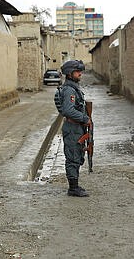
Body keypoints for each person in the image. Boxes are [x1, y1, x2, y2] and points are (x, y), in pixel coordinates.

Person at [59, 59, 91, 197]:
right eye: (77, 71)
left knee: (77, 155)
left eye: (80, 71)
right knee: (72, 157)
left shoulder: (74, 88)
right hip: (72, 127)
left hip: (77, 128)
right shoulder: (69, 91)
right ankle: (73, 188)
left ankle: (75, 184)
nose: (80, 74)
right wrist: (84, 118)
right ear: (69, 73)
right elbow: (68, 110)